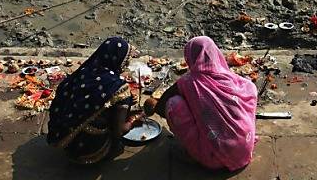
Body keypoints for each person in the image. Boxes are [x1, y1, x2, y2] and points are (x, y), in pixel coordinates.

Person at [145, 36, 258, 171]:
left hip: (214, 160)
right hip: (243, 151)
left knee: (173, 104)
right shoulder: (238, 81)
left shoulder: (189, 82)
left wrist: (152, 103)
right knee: (245, 90)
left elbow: (161, 107)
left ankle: (196, 155)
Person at [46, 36, 142, 165]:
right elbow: (119, 131)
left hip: (63, 137)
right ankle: (99, 151)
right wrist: (133, 120)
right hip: (89, 149)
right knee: (118, 142)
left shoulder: (84, 72)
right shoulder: (119, 87)